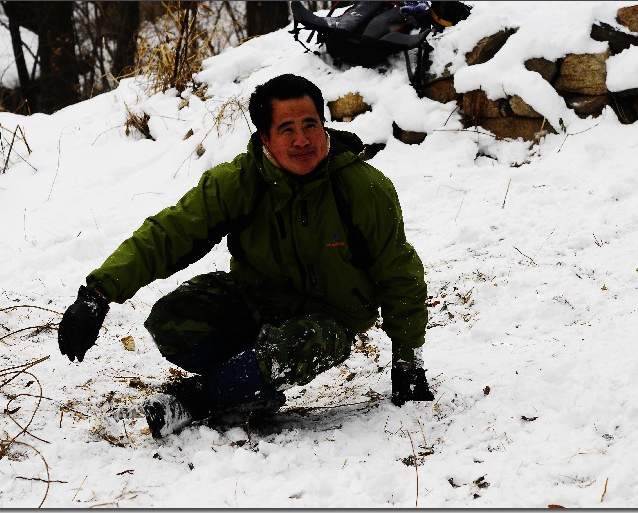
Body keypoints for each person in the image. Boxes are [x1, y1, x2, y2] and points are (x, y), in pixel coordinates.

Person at [57, 74, 433, 438]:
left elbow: (399, 273)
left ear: (324, 125)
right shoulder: (238, 181)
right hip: (257, 301)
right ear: (265, 138)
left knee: (303, 343)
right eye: (287, 129)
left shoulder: (363, 188)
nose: (302, 140)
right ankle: (250, 389)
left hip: (329, 320)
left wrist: (408, 360)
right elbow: (171, 232)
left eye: (311, 125)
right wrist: (98, 293)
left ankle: (200, 398)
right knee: (171, 321)